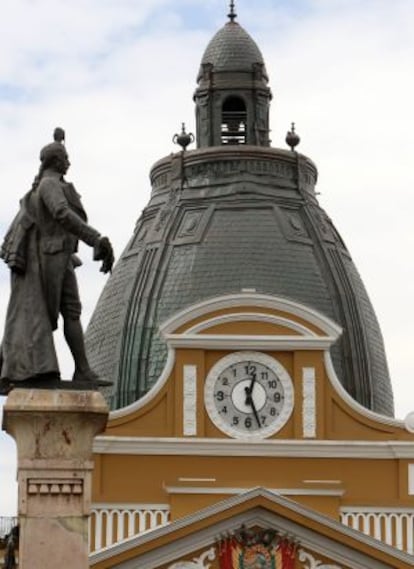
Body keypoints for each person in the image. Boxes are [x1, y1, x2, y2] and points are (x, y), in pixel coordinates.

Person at [0, 128, 114, 388]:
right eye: (65, 158)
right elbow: (62, 214)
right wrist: (95, 238)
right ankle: (42, 369)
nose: (69, 162)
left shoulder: (55, 184)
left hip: (63, 258)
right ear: (55, 161)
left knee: (72, 311)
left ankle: (83, 370)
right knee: (50, 313)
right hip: (50, 258)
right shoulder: (49, 185)